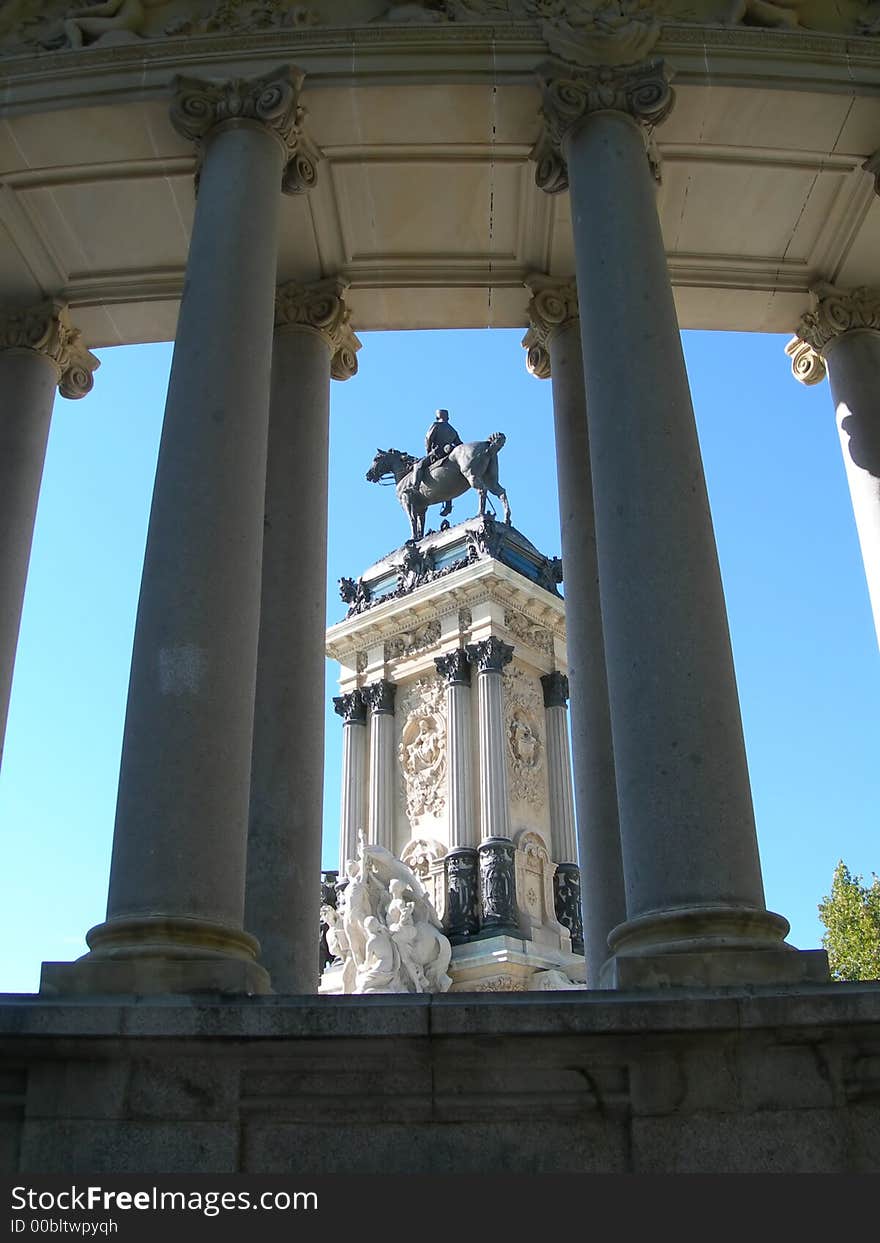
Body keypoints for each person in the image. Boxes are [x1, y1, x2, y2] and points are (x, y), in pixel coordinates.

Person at [413, 409, 462, 517]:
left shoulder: (435, 425)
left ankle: (415, 488)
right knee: (449, 481)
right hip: (448, 454)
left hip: (437, 452)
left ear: (437, 417)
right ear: (448, 417)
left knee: (418, 465)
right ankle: (448, 505)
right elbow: (459, 444)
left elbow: (428, 439)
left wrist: (429, 452)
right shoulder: (452, 430)